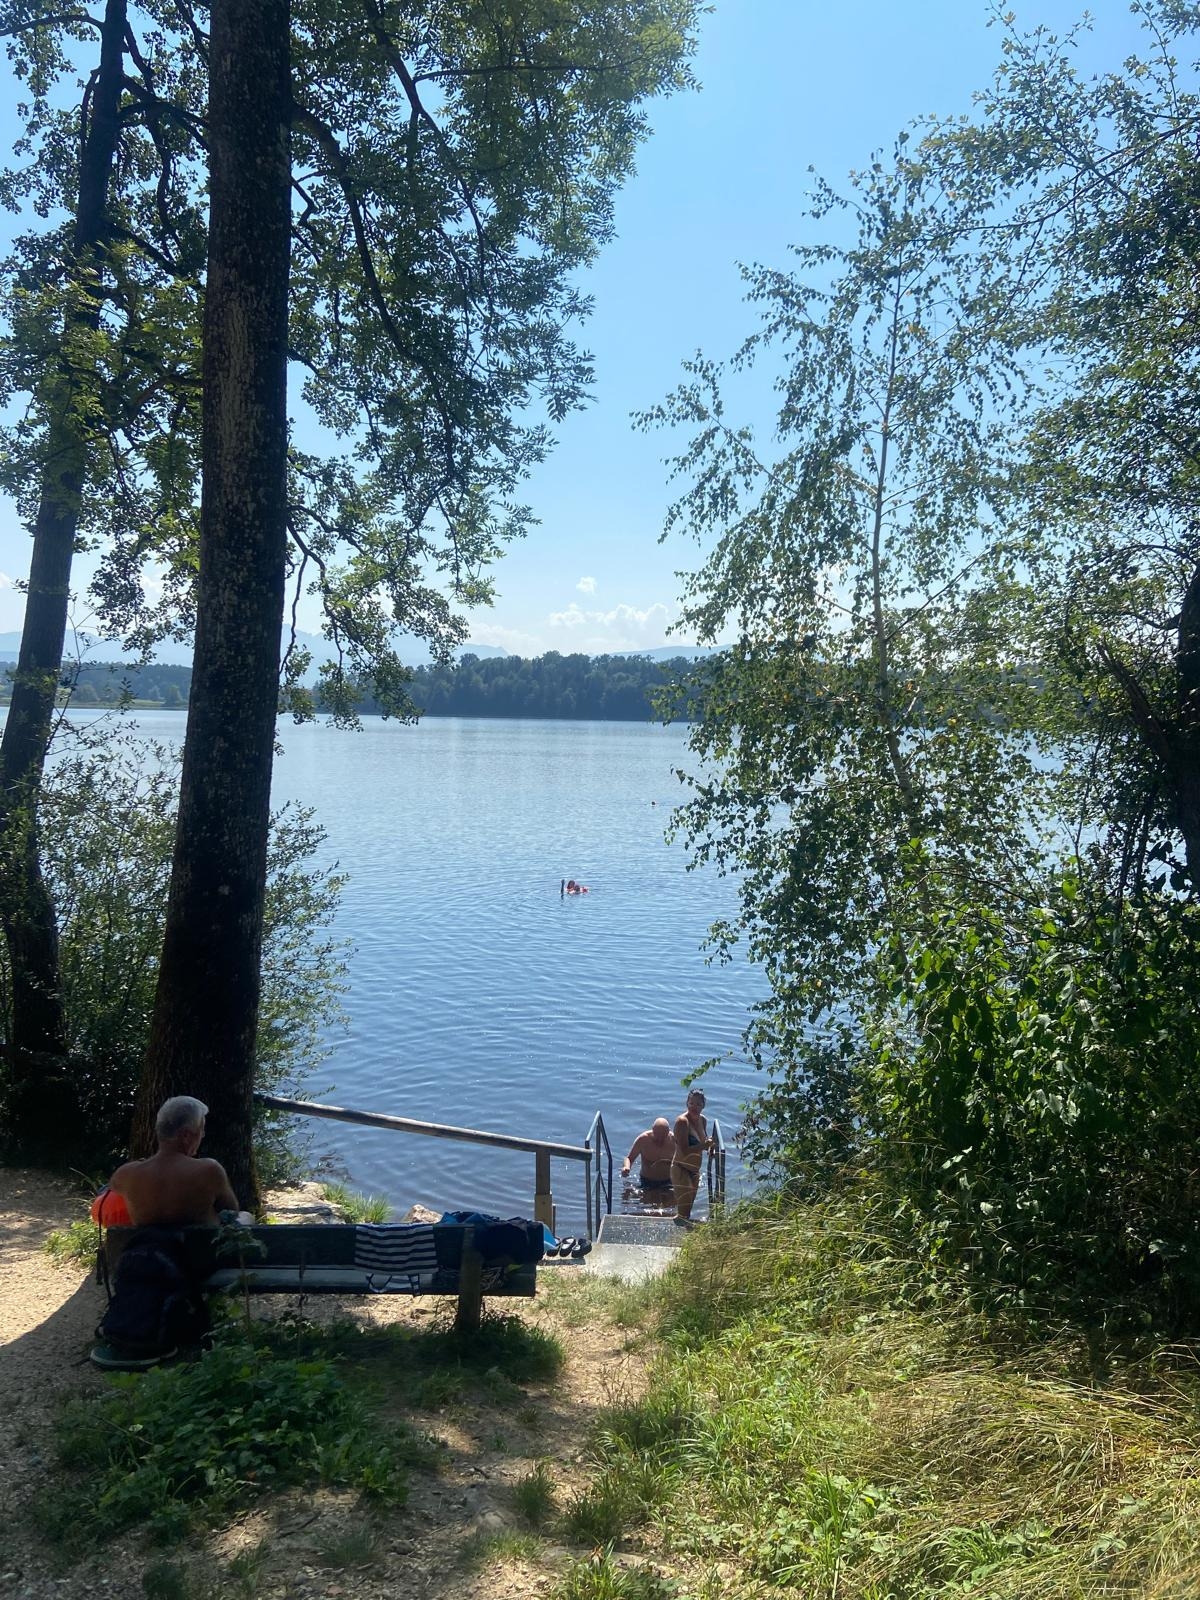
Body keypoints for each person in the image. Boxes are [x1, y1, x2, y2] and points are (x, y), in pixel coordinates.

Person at [106, 1096, 243, 1227]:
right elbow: (231, 1212)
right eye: (201, 1130)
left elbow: (112, 1189)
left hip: (147, 1247)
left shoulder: (125, 1175)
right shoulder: (209, 1170)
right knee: (245, 1216)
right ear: (186, 1135)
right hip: (198, 1250)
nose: (202, 1136)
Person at [671, 1088, 712, 1226]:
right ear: (687, 1103)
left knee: (687, 1212)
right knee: (683, 1213)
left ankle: (684, 1243)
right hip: (681, 1168)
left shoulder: (703, 1120)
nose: (694, 1107)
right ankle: (677, 1241)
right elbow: (684, 1150)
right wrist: (704, 1146)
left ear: (703, 1106)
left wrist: (710, 1148)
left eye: (698, 1104)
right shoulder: (682, 1122)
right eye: (692, 1103)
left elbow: (704, 1141)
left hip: (695, 1171)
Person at [621, 1118, 674, 1189]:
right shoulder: (643, 1140)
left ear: (668, 1131)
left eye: (663, 1136)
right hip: (647, 1181)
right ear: (652, 1130)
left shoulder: (674, 1141)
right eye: (657, 1136)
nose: (660, 1140)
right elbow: (629, 1158)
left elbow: (684, 1159)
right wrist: (626, 1167)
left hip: (668, 1181)